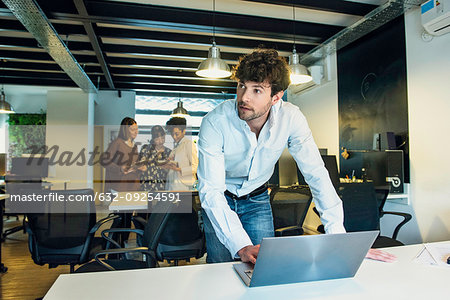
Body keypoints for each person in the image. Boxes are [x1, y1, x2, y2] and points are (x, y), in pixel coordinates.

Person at [197, 48, 395, 264]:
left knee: (263, 266)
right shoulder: (215, 122)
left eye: (257, 90)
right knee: (219, 267)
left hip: (257, 199)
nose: (244, 97)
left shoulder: (291, 118)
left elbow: (316, 174)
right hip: (221, 198)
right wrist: (241, 245)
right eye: (242, 85)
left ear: (276, 97)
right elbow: (211, 190)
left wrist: (338, 237)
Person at [103, 117, 145, 193]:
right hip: (119, 187)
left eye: (137, 129)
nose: (136, 132)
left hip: (133, 186)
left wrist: (141, 167)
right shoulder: (117, 143)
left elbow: (135, 164)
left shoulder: (134, 146)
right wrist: (120, 168)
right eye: (133, 129)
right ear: (125, 130)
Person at [163, 117, 198, 191]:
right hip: (172, 182)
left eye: (177, 134)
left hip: (182, 184)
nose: (174, 137)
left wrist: (178, 169)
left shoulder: (188, 144)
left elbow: (195, 167)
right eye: (172, 134)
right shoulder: (177, 146)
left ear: (184, 131)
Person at [139, 125, 172, 191]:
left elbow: (170, 172)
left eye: (162, 138)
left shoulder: (168, 152)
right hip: (146, 187)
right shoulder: (145, 149)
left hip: (162, 187)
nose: (161, 141)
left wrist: (167, 167)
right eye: (157, 139)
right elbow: (139, 165)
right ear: (153, 139)